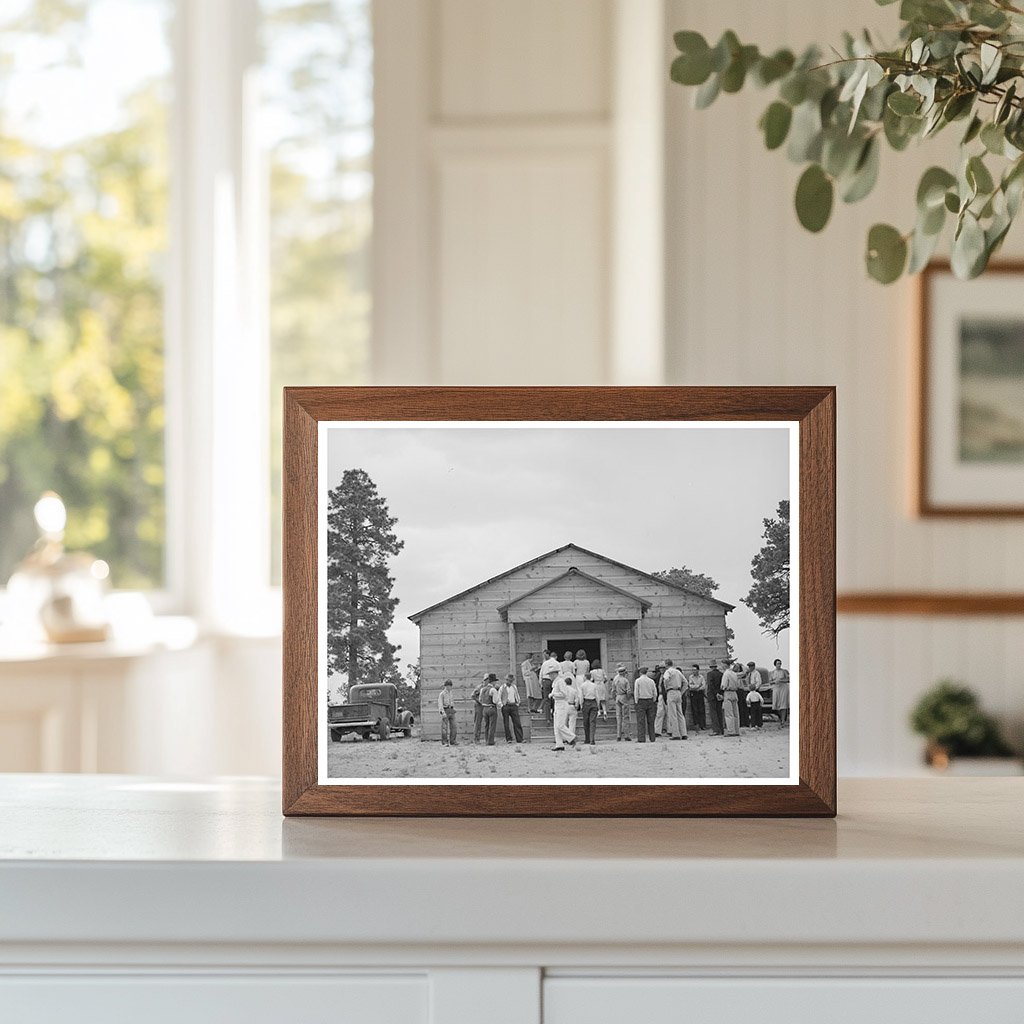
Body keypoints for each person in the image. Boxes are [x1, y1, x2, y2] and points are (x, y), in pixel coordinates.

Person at [549, 673, 577, 750]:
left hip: (562, 704)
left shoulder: (560, 681)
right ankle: (559, 744)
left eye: (550, 674)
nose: (549, 676)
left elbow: (564, 694)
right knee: (556, 726)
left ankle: (572, 737)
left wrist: (553, 694)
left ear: (554, 674)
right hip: (557, 704)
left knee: (560, 725)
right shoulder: (556, 682)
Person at [661, 659, 687, 740]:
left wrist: (666, 687)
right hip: (678, 691)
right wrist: (681, 692)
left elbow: (665, 679)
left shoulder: (668, 671)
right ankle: (684, 733)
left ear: (666, 664)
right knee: (680, 713)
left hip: (671, 691)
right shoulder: (678, 672)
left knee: (673, 714)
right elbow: (685, 682)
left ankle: (676, 734)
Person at [633, 666, 658, 743]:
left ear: (640, 672)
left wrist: (636, 701)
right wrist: (653, 700)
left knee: (641, 721)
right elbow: (655, 692)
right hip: (650, 700)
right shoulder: (651, 681)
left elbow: (636, 692)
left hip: (641, 700)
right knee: (651, 721)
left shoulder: (638, 681)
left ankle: (641, 738)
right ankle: (652, 738)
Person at [499, 673, 524, 743]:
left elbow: (517, 695)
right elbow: (499, 697)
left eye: (510, 681)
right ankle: (509, 739)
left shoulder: (514, 687)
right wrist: (501, 705)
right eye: (508, 680)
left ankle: (520, 739)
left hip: (513, 705)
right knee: (506, 723)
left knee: (517, 722)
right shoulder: (502, 687)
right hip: (505, 706)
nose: (509, 682)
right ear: (506, 680)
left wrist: (518, 703)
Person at [578, 671, 600, 746]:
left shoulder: (582, 685)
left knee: (586, 721)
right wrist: (598, 705)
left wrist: (581, 704)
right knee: (592, 721)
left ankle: (587, 738)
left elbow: (581, 696)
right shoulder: (594, 685)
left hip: (586, 702)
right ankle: (592, 739)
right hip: (593, 702)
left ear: (585, 677)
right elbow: (597, 696)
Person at [612, 664, 633, 741]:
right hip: (624, 697)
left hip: (618, 696)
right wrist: (628, 698)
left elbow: (613, 690)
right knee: (626, 716)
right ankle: (626, 735)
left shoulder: (615, 680)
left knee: (618, 716)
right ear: (624, 672)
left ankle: (618, 735)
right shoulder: (625, 680)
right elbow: (628, 691)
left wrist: (615, 698)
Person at [721, 660, 741, 736]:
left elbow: (723, 685)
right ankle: (737, 730)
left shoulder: (726, 674)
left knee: (729, 713)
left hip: (728, 692)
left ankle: (731, 731)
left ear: (725, 665)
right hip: (734, 692)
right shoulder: (734, 674)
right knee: (736, 713)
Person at [539, 650, 561, 722]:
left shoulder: (546, 663)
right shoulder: (556, 663)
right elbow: (560, 674)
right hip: (551, 680)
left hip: (547, 680)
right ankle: (553, 716)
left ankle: (548, 718)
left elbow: (541, 674)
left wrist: (541, 684)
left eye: (545, 655)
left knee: (547, 699)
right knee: (553, 698)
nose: (544, 656)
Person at [479, 673, 500, 746]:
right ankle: (490, 741)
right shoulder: (493, 690)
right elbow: (495, 701)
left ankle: (486, 740)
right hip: (491, 708)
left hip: (484, 708)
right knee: (492, 725)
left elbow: (480, 699)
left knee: (486, 725)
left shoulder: (482, 689)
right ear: (493, 682)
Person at [705, 661, 724, 736]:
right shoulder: (721, 674)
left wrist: (716, 693)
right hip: (720, 695)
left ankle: (716, 730)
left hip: (712, 695)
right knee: (719, 712)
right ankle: (721, 729)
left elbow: (711, 685)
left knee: (713, 713)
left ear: (710, 667)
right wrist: (720, 693)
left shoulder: (709, 674)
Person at [770, 658, 790, 727]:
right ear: (775, 664)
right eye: (778, 663)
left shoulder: (784, 671)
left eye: (780, 663)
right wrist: (774, 682)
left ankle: (783, 720)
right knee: (776, 704)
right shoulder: (772, 672)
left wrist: (781, 680)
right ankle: (780, 717)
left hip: (783, 688)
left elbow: (788, 679)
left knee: (783, 704)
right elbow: (770, 681)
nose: (779, 665)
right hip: (776, 688)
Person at [686, 664, 707, 731]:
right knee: (694, 709)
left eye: (695, 670)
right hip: (693, 694)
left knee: (701, 709)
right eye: (693, 670)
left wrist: (696, 687)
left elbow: (703, 686)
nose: (693, 671)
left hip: (700, 694)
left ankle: (702, 725)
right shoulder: (691, 677)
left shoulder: (701, 677)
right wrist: (698, 686)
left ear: (698, 670)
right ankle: (696, 725)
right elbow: (690, 686)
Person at [437, 679, 457, 746]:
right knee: (444, 727)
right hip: (445, 710)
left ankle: (453, 741)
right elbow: (440, 704)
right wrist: (442, 712)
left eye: (450, 686)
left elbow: (452, 701)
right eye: (448, 686)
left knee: (454, 726)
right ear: (446, 686)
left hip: (451, 709)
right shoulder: (442, 694)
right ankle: (444, 742)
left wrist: (453, 708)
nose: (449, 687)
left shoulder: (451, 693)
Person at [653, 663, 668, 736]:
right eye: (660, 668)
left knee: (669, 713)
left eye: (663, 668)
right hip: (660, 695)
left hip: (667, 695)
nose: (661, 669)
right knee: (659, 713)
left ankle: (670, 730)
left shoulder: (668, 675)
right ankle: (657, 731)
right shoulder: (658, 676)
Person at [471, 676, 487, 744]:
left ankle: (487, 738)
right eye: (486, 680)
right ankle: (476, 739)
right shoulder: (479, 687)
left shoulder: (489, 687)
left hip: (485, 706)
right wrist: (479, 701)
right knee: (478, 722)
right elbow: (472, 695)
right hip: (479, 706)